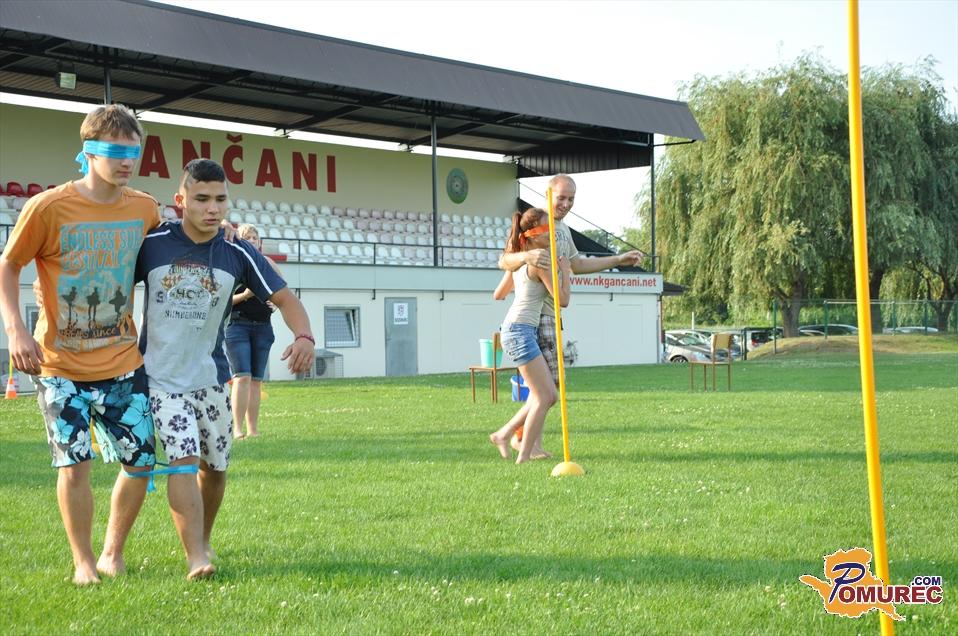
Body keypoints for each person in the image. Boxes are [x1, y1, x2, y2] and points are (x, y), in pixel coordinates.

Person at [124, 158, 315, 579]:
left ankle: (204, 539)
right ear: (180, 201)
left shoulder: (237, 251)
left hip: (210, 378)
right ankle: (194, 556)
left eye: (220, 199)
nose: (212, 208)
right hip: (157, 378)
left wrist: (304, 336)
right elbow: (114, 287)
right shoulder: (152, 243)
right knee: (182, 459)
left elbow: (285, 299)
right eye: (201, 199)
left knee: (215, 468)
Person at [0, 104, 160, 585]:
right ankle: (84, 562)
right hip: (59, 367)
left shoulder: (145, 208)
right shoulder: (48, 207)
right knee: (74, 466)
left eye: (134, 152)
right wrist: (16, 330)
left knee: (141, 462)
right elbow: (9, 265)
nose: (127, 161)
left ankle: (112, 553)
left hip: (123, 362)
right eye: (115, 151)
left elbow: (169, 253)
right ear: (88, 152)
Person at [496, 174, 645, 452]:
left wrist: (618, 259)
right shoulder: (537, 225)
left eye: (571, 199)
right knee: (547, 391)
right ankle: (522, 441)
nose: (566, 204)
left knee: (547, 390)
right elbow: (504, 260)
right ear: (548, 194)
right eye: (562, 198)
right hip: (537, 316)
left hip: (549, 315)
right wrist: (526, 257)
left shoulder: (563, 230)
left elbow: (577, 265)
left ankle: (518, 438)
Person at [489, 208, 571, 463]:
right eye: (548, 230)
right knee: (546, 396)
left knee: (545, 395)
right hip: (520, 332)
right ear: (534, 234)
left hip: (516, 329)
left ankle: (504, 435)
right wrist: (565, 272)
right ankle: (523, 454)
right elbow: (562, 300)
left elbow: (499, 294)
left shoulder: (519, 261)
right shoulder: (540, 262)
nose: (553, 234)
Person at [224, 224, 281, 440]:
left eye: (254, 237)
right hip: (238, 326)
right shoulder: (233, 264)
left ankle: (253, 430)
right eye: (246, 237)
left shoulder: (268, 264)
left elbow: (281, 291)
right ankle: (237, 429)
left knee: (256, 380)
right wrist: (246, 295)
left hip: (263, 327)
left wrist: (276, 303)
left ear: (260, 242)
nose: (252, 241)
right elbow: (224, 300)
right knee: (242, 377)